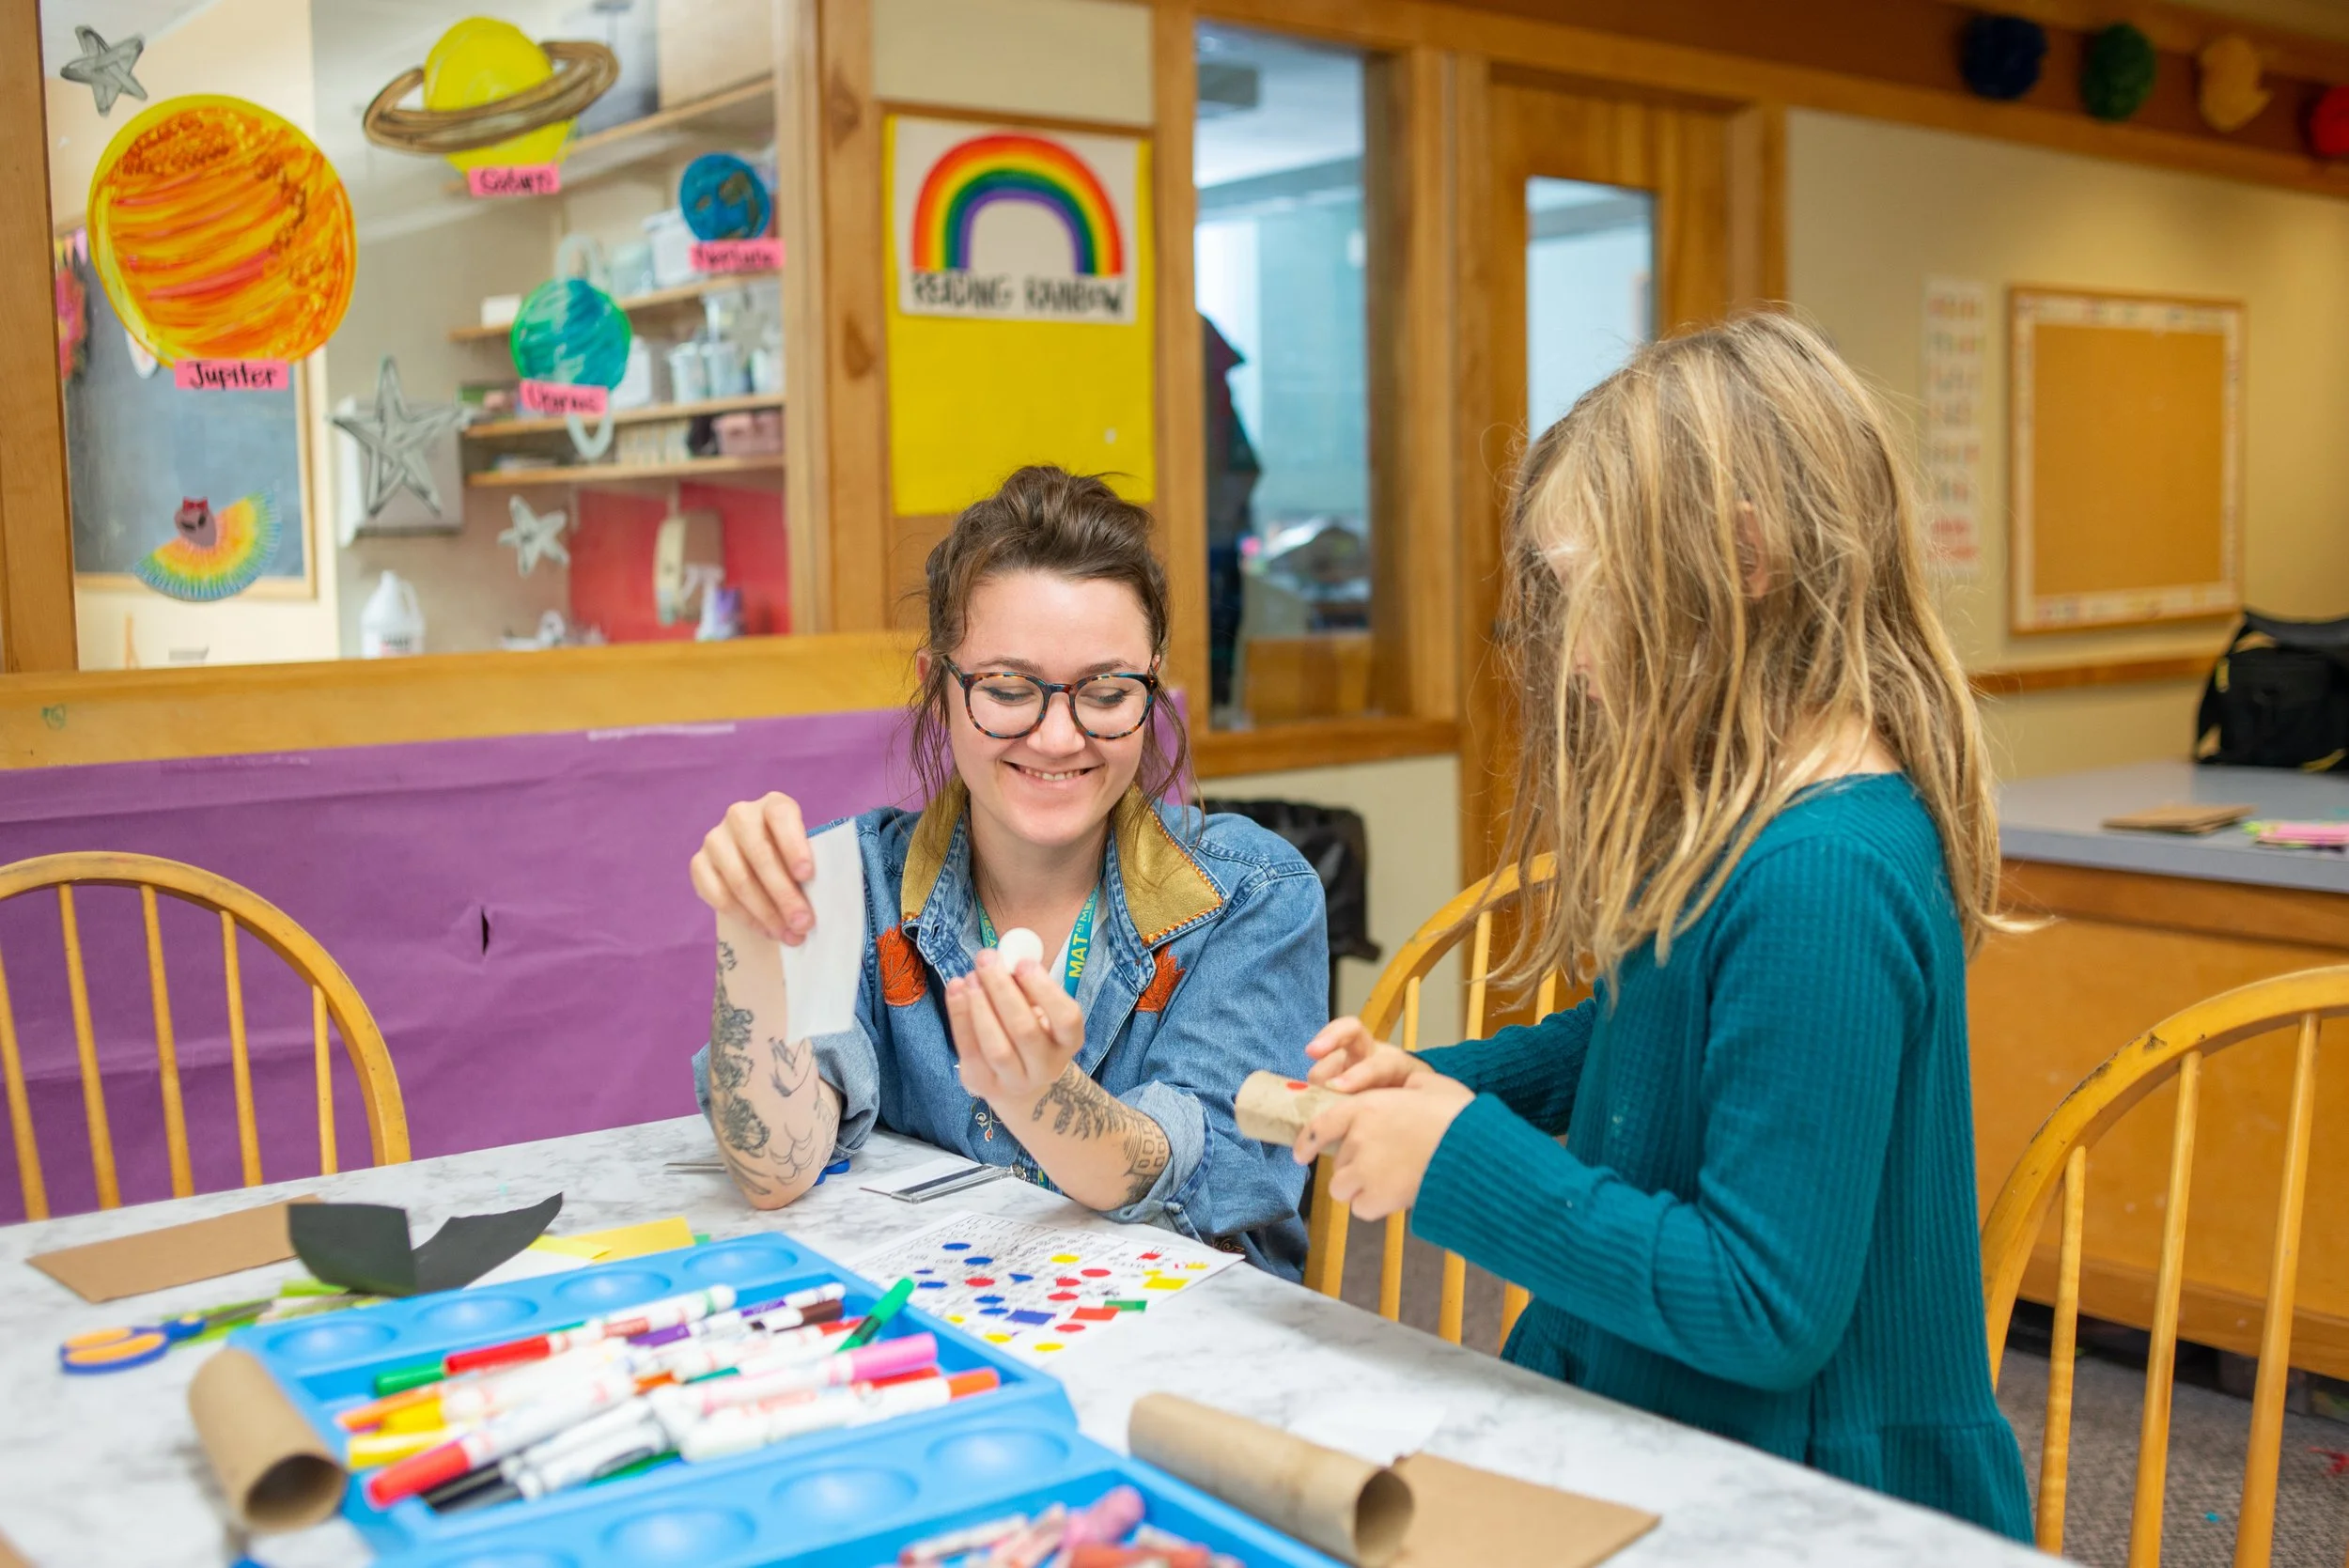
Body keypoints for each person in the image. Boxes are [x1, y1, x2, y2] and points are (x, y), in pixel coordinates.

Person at [1293, 315, 2033, 1538]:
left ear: (1741, 558)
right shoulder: (1753, 820)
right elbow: (1649, 1035)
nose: (1572, 653)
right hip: (1671, 1426)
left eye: (1588, 592)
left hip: (1814, 1496)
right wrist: (1444, 1084)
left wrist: (1454, 1156)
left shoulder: (1822, 877)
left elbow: (1760, 1305)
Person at [689, 465, 1327, 1278]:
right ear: (939, 685)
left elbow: (1193, 1170)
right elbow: (775, 1168)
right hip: (948, 1322)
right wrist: (751, 935)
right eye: (1009, 688)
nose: (1058, 737)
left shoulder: (1254, 894)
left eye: (1106, 692)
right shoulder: (855, 883)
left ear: (1152, 685)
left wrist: (1039, 1093)